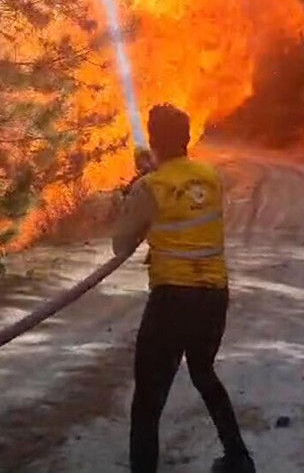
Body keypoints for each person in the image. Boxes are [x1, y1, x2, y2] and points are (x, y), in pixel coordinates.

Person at [113, 103, 255, 473]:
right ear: (188, 139)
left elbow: (121, 244)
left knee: (147, 401)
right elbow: (183, 201)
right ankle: (239, 459)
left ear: (154, 140)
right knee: (203, 372)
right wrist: (150, 178)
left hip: (172, 300)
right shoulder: (209, 176)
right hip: (214, 295)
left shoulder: (150, 186)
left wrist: (133, 192)